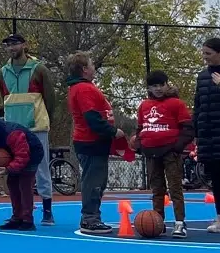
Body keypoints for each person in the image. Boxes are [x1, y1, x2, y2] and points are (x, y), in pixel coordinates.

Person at [0, 33, 56, 224]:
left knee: (41, 169)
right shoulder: (2, 72)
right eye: (8, 45)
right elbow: (4, 99)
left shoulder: (39, 69)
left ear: (25, 45)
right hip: (14, 131)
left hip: (37, 127)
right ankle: (20, 213)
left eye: (15, 44)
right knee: (16, 170)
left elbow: (50, 99)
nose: (11, 48)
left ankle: (47, 211)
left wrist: (47, 119)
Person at [66, 51, 125, 235]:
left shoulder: (83, 88)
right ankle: (90, 219)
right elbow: (91, 117)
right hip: (91, 141)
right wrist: (113, 132)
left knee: (97, 180)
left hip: (93, 141)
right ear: (84, 69)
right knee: (94, 181)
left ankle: (91, 216)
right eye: (91, 64)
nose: (94, 68)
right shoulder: (84, 89)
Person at [132, 70, 193, 238]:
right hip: (151, 152)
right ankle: (158, 220)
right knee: (157, 189)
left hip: (170, 152)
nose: (158, 89)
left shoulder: (176, 104)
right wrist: (139, 145)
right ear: (149, 88)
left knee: (175, 188)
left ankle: (180, 222)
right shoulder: (144, 106)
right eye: (154, 86)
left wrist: (177, 146)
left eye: (161, 85)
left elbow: (187, 128)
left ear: (167, 85)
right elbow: (140, 128)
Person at [0, 109, 43, 231]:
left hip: (33, 154)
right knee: (12, 183)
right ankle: (17, 218)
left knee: (24, 185)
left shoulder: (13, 133)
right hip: (15, 155)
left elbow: (22, 156)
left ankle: (28, 220)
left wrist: (8, 169)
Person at [192, 36, 220, 232]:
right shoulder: (202, 77)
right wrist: (197, 132)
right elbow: (198, 107)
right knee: (217, 179)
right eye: (203, 53)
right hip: (209, 137)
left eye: (208, 54)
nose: (205, 57)